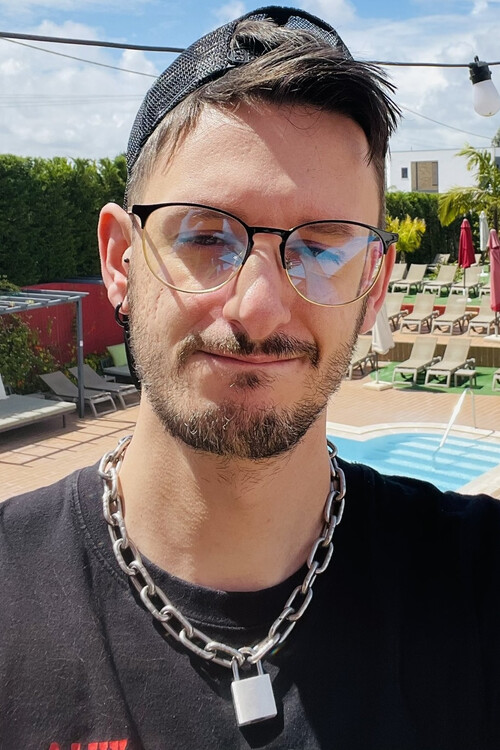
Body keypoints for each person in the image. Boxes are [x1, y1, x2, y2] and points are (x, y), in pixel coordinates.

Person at [1, 6, 500, 749]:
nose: (260, 307)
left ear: (374, 285)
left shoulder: (478, 586)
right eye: (206, 236)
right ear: (120, 260)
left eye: (323, 248)